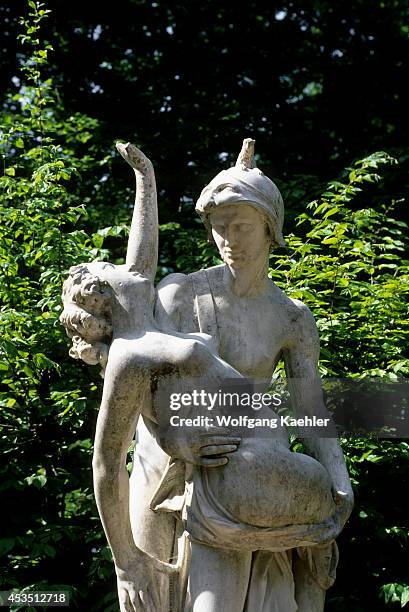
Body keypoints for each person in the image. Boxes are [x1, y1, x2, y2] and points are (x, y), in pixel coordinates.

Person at [61, 140, 353, 612]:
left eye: (241, 226)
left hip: (258, 468)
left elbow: (310, 410)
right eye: (219, 228)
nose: (228, 238)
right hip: (174, 462)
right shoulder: (180, 294)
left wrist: (338, 478)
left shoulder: (292, 317)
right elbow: (141, 388)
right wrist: (178, 439)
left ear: (270, 227)